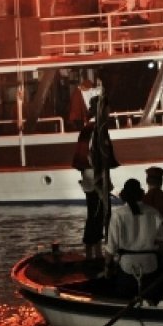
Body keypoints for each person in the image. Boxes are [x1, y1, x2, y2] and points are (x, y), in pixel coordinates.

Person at [72, 95, 119, 261]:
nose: (110, 112)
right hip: (96, 176)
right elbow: (100, 157)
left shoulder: (88, 128)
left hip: (90, 175)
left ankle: (92, 252)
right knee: (99, 214)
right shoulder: (98, 129)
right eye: (108, 108)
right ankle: (97, 254)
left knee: (94, 213)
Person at [104, 178, 163, 300]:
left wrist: (107, 267)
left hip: (127, 266)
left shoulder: (118, 214)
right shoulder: (154, 213)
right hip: (150, 265)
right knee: (151, 302)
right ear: (141, 194)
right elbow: (162, 243)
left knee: (124, 301)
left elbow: (111, 248)